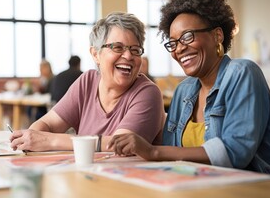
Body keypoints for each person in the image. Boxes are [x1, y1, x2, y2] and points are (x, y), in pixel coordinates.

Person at [107, 0, 270, 177]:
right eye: (173, 43)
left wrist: (152, 151)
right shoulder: (184, 91)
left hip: (269, 188)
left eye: (188, 36)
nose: (179, 48)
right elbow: (172, 152)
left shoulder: (241, 73)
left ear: (217, 36)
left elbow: (235, 152)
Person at [9, 12, 165, 152]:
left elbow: (121, 146)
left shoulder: (148, 92)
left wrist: (50, 140)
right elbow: (47, 124)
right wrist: (33, 139)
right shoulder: (88, 81)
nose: (129, 56)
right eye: (117, 47)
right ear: (95, 54)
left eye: (135, 50)